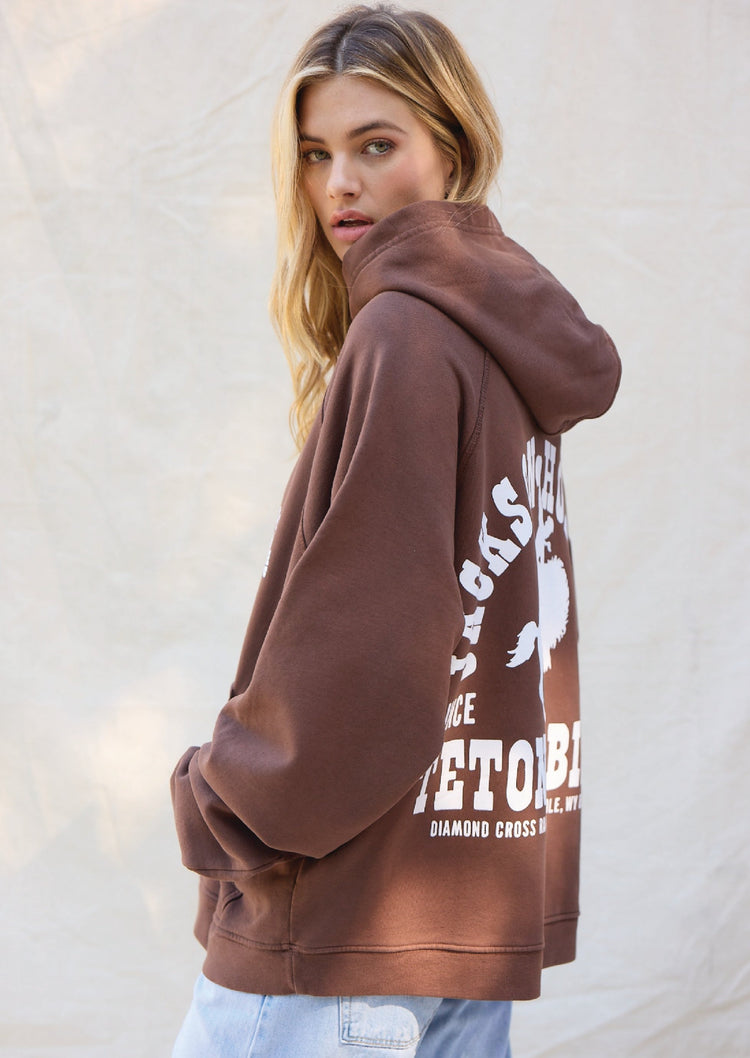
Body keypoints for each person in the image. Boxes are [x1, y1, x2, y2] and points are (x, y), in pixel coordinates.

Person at [170, 4, 621, 1056]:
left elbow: (370, 652)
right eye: (316, 153)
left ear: (451, 147)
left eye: (376, 145)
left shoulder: (406, 334)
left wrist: (220, 797)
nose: (339, 184)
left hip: (343, 934)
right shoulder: (502, 338)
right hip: (466, 918)